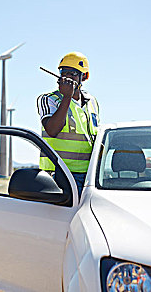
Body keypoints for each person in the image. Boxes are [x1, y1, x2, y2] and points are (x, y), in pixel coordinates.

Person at [37, 52, 99, 196]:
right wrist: (67, 97)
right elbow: (52, 129)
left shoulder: (92, 102)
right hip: (60, 174)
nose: (67, 78)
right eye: (63, 73)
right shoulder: (48, 99)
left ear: (84, 77)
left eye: (73, 74)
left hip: (89, 175)